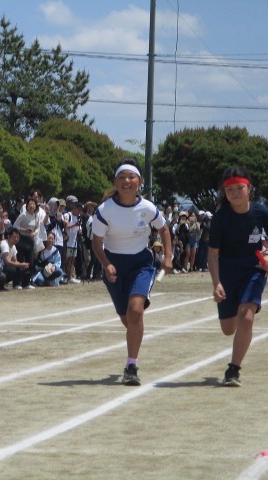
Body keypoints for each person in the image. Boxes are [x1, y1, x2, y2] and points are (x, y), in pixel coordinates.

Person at [91, 158, 172, 386]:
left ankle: (131, 366)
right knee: (127, 318)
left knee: (135, 311)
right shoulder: (104, 210)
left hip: (141, 264)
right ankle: (136, 337)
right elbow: (96, 242)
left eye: (131, 177)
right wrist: (106, 264)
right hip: (114, 265)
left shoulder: (147, 208)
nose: (126, 181)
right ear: (115, 181)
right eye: (122, 177)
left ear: (140, 181)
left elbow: (164, 230)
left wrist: (168, 257)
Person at [208, 166, 268, 387]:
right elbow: (212, 254)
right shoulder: (220, 218)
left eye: (240, 188)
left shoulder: (261, 212)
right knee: (228, 329)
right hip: (227, 271)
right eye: (230, 190)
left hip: (254, 269)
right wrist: (217, 283)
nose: (235, 193)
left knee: (246, 317)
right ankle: (237, 320)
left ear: (249, 188)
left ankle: (233, 370)